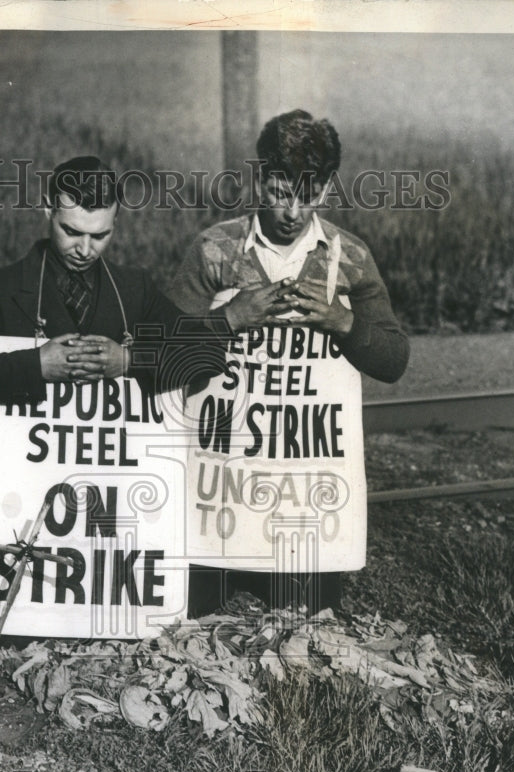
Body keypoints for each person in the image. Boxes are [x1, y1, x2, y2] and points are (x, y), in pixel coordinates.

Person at [165, 109, 410, 616]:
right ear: (260, 178)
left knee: (302, 633)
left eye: (309, 193)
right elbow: (162, 357)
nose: (292, 211)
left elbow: (393, 360)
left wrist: (343, 323)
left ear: (326, 188)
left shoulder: (348, 258)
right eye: (280, 191)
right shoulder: (216, 250)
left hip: (302, 509)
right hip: (219, 501)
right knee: (201, 631)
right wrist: (230, 318)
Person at [0, 155, 227, 406]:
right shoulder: (0, 290)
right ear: (48, 209)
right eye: (71, 232)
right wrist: (36, 365)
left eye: (100, 236)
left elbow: (206, 351)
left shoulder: (134, 289)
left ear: (115, 222)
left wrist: (129, 360)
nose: (84, 250)